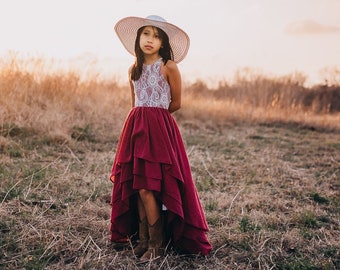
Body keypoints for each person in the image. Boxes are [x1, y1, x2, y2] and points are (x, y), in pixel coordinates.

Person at [109, 15, 212, 262]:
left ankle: (157, 246)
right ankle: (143, 240)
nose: (150, 40)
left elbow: (176, 103)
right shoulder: (133, 69)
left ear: (162, 42)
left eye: (156, 36)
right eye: (146, 34)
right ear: (138, 38)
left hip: (159, 130)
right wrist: (141, 121)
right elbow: (135, 104)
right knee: (139, 185)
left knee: (151, 187)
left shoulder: (168, 66)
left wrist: (156, 119)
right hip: (136, 128)